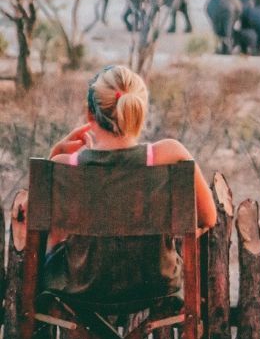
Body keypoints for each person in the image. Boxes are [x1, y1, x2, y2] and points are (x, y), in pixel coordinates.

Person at [43, 64, 217, 304]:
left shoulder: (66, 164)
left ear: (89, 115)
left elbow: (37, 218)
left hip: (81, 286)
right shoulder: (172, 154)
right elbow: (208, 218)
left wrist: (58, 151)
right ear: (139, 112)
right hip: (155, 282)